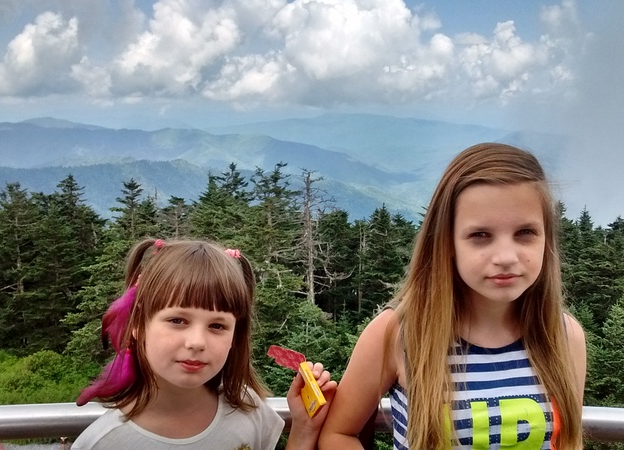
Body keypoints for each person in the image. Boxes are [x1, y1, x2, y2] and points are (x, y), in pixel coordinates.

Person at [319, 143, 586, 450]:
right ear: (447, 243)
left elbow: (569, 442)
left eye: (525, 232)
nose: (505, 257)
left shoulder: (563, 336)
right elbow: (338, 434)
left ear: (546, 238)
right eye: (480, 235)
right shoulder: (401, 333)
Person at [72, 238, 336, 450]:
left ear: (235, 335)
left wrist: (304, 428)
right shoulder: (104, 442)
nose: (197, 342)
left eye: (217, 326)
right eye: (177, 320)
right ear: (138, 323)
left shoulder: (248, 410)